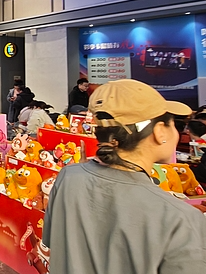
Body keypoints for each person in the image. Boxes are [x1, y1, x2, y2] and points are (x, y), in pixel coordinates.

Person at [43, 79, 205, 274]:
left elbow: (54, 243)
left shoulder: (67, 178)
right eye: (174, 124)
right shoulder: (180, 219)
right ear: (160, 131)